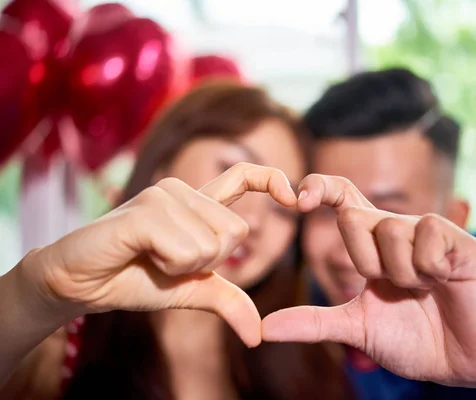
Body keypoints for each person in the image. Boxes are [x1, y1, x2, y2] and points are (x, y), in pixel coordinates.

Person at [261, 68, 476, 399]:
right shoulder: (292, 311)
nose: (351, 248)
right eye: (326, 210)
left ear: (455, 217)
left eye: (388, 212)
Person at [0, 82, 354, 400]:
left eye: (284, 209)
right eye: (233, 169)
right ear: (161, 166)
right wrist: (36, 292)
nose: (254, 221)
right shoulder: (53, 344)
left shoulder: (315, 361)